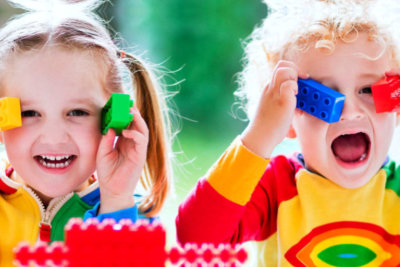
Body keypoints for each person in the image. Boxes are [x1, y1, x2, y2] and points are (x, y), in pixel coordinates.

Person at [176, 0, 400, 265]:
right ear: (287, 121)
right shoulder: (277, 189)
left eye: (367, 90)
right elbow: (196, 240)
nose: (350, 112)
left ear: (395, 107)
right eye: (324, 98)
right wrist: (260, 135)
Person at [0, 0, 172, 266]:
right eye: (29, 113)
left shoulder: (135, 217)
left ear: (115, 117)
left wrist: (115, 203)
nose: (54, 137)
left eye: (77, 112)